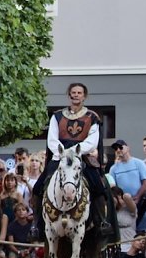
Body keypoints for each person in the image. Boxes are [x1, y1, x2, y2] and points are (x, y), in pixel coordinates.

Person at [31, 83, 113, 238]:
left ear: (84, 96)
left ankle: (102, 222)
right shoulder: (57, 116)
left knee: (98, 186)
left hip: (82, 157)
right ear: (69, 95)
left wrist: (75, 151)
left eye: (79, 93)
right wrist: (63, 152)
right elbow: (52, 139)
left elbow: (92, 142)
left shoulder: (92, 117)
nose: (76, 95)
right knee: (38, 187)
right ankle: (36, 224)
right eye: (73, 92)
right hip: (60, 156)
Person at [109, 140, 146, 233]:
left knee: (144, 230)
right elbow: (113, 189)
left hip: (142, 201)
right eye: (116, 149)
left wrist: (138, 197)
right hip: (124, 205)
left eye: (121, 147)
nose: (118, 150)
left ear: (128, 148)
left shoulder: (139, 163)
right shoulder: (113, 168)